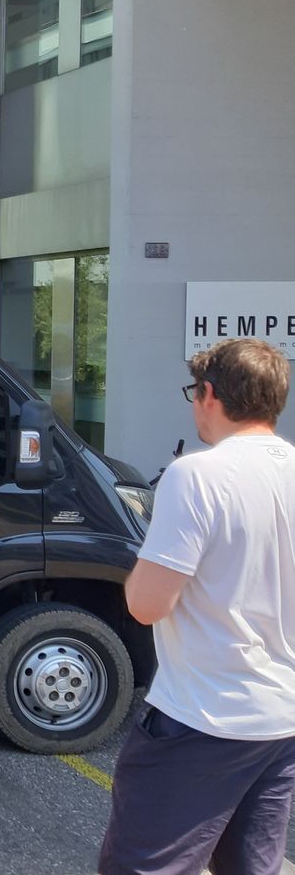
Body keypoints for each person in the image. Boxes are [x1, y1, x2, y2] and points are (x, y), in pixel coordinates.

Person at [99, 338, 295, 875]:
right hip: (279, 720)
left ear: (209, 394)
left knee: (142, 866)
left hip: (202, 716)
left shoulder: (197, 475)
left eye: (194, 392)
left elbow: (146, 604)